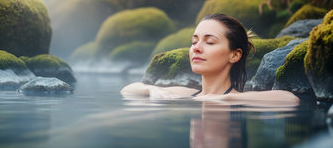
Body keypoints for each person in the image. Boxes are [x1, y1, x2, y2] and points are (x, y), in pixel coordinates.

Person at [121, 14, 299, 104]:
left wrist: (221, 99)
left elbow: (290, 99)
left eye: (210, 42)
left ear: (235, 55)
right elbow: (128, 90)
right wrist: (151, 90)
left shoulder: (237, 98)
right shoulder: (189, 94)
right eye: (194, 41)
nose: (196, 48)